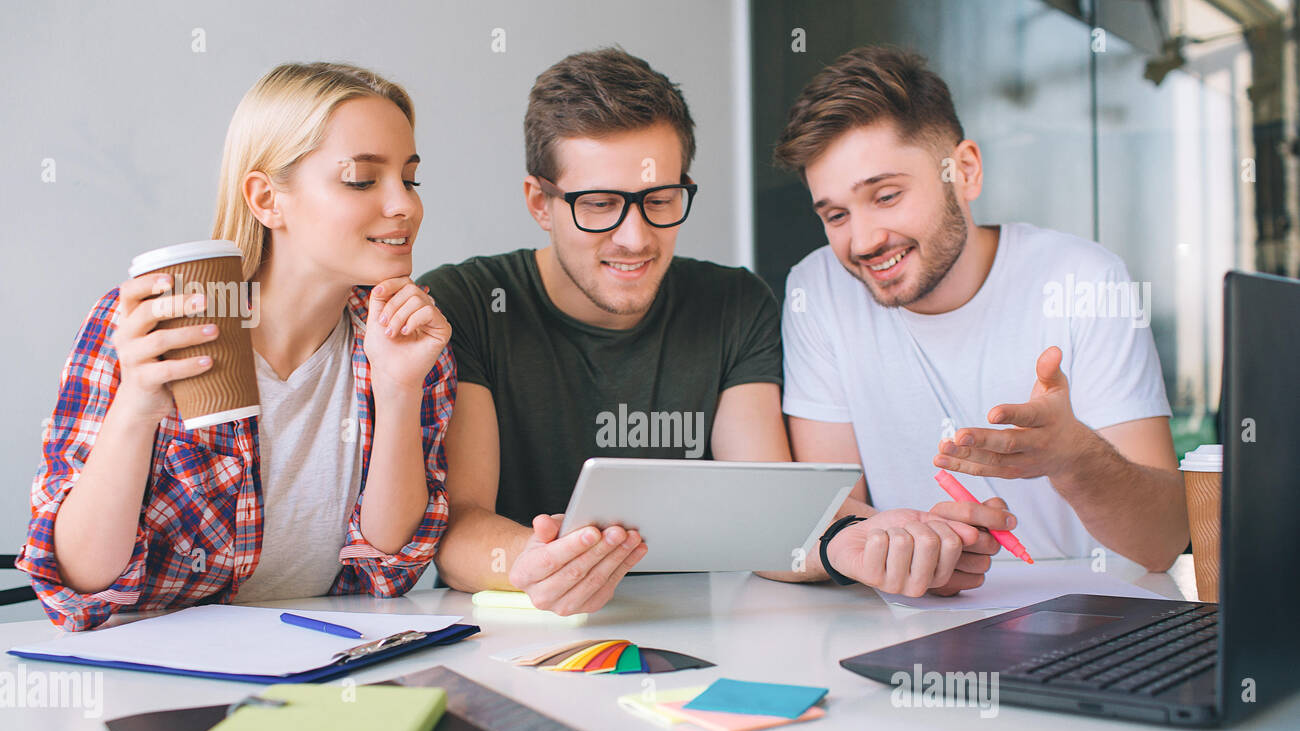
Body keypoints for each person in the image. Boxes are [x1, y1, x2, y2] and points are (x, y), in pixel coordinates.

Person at [420, 47, 997, 614]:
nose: (635, 237)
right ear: (540, 203)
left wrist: (859, 544)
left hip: (697, 633)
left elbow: (769, 511)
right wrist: (532, 563)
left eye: (660, 199)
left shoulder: (734, 303)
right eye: (598, 205)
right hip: (523, 638)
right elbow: (459, 524)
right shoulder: (468, 302)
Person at [18, 62, 454, 631]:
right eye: (363, 179)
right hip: (150, 673)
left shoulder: (407, 340)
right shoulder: (155, 326)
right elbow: (76, 591)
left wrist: (399, 392)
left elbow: (389, 572)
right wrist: (137, 408)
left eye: (411, 178)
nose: (405, 205)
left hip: (319, 664)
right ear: (267, 199)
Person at [772, 45, 1189, 577]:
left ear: (964, 170)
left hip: (1093, 617)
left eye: (886, 196)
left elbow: (1161, 544)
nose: (862, 241)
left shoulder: (1086, 278)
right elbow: (829, 522)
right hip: (907, 618)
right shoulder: (818, 289)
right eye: (835, 215)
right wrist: (924, 546)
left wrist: (1073, 457)